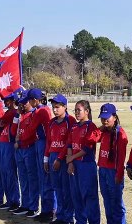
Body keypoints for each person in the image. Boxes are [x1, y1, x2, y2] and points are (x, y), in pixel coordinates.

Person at [66, 100, 101, 224]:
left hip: (86, 165)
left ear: (86, 111)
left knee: (89, 196)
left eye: (78, 110)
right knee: (76, 195)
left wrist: (72, 158)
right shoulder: (74, 126)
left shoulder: (91, 127)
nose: (76, 113)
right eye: (75, 110)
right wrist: (70, 162)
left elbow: (87, 148)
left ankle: (94, 221)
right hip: (74, 164)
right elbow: (69, 144)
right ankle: (80, 221)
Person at [44, 94, 76, 224]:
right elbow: (49, 142)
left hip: (63, 159)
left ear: (65, 107)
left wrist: (59, 158)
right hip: (53, 157)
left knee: (66, 189)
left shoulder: (71, 121)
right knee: (57, 188)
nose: (54, 110)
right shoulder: (51, 122)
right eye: (53, 107)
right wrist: (46, 159)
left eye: (57, 107)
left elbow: (69, 143)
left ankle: (69, 218)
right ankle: (60, 216)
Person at [26, 88, 55, 221]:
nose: (29, 102)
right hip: (41, 142)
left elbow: (31, 128)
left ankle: (48, 211)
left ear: (35, 100)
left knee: (45, 178)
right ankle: (47, 209)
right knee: (43, 178)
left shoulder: (41, 111)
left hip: (43, 143)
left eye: (30, 100)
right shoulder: (41, 110)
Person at [97, 103, 128, 224]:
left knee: (116, 202)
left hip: (113, 171)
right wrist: (101, 128)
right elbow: (91, 138)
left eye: (107, 118)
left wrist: (119, 175)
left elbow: (121, 157)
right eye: (102, 117)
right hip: (103, 169)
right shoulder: (104, 131)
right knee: (107, 201)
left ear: (114, 117)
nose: (104, 120)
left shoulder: (120, 133)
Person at [12, 90, 40, 217]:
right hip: (20, 150)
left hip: (29, 149)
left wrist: (20, 139)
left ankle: (33, 206)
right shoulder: (21, 115)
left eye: (24, 103)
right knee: (23, 179)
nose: (22, 105)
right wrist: (17, 116)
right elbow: (13, 132)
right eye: (21, 103)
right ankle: (25, 204)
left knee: (31, 179)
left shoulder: (34, 114)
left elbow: (32, 134)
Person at [0, 91, 20, 211]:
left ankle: (14, 200)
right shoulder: (9, 112)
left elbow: (2, 117)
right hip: (2, 143)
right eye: (5, 100)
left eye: (9, 100)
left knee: (10, 173)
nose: (6, 102)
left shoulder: (14, 113)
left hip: (9, 145)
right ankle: (9, 199)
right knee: (4, 173)